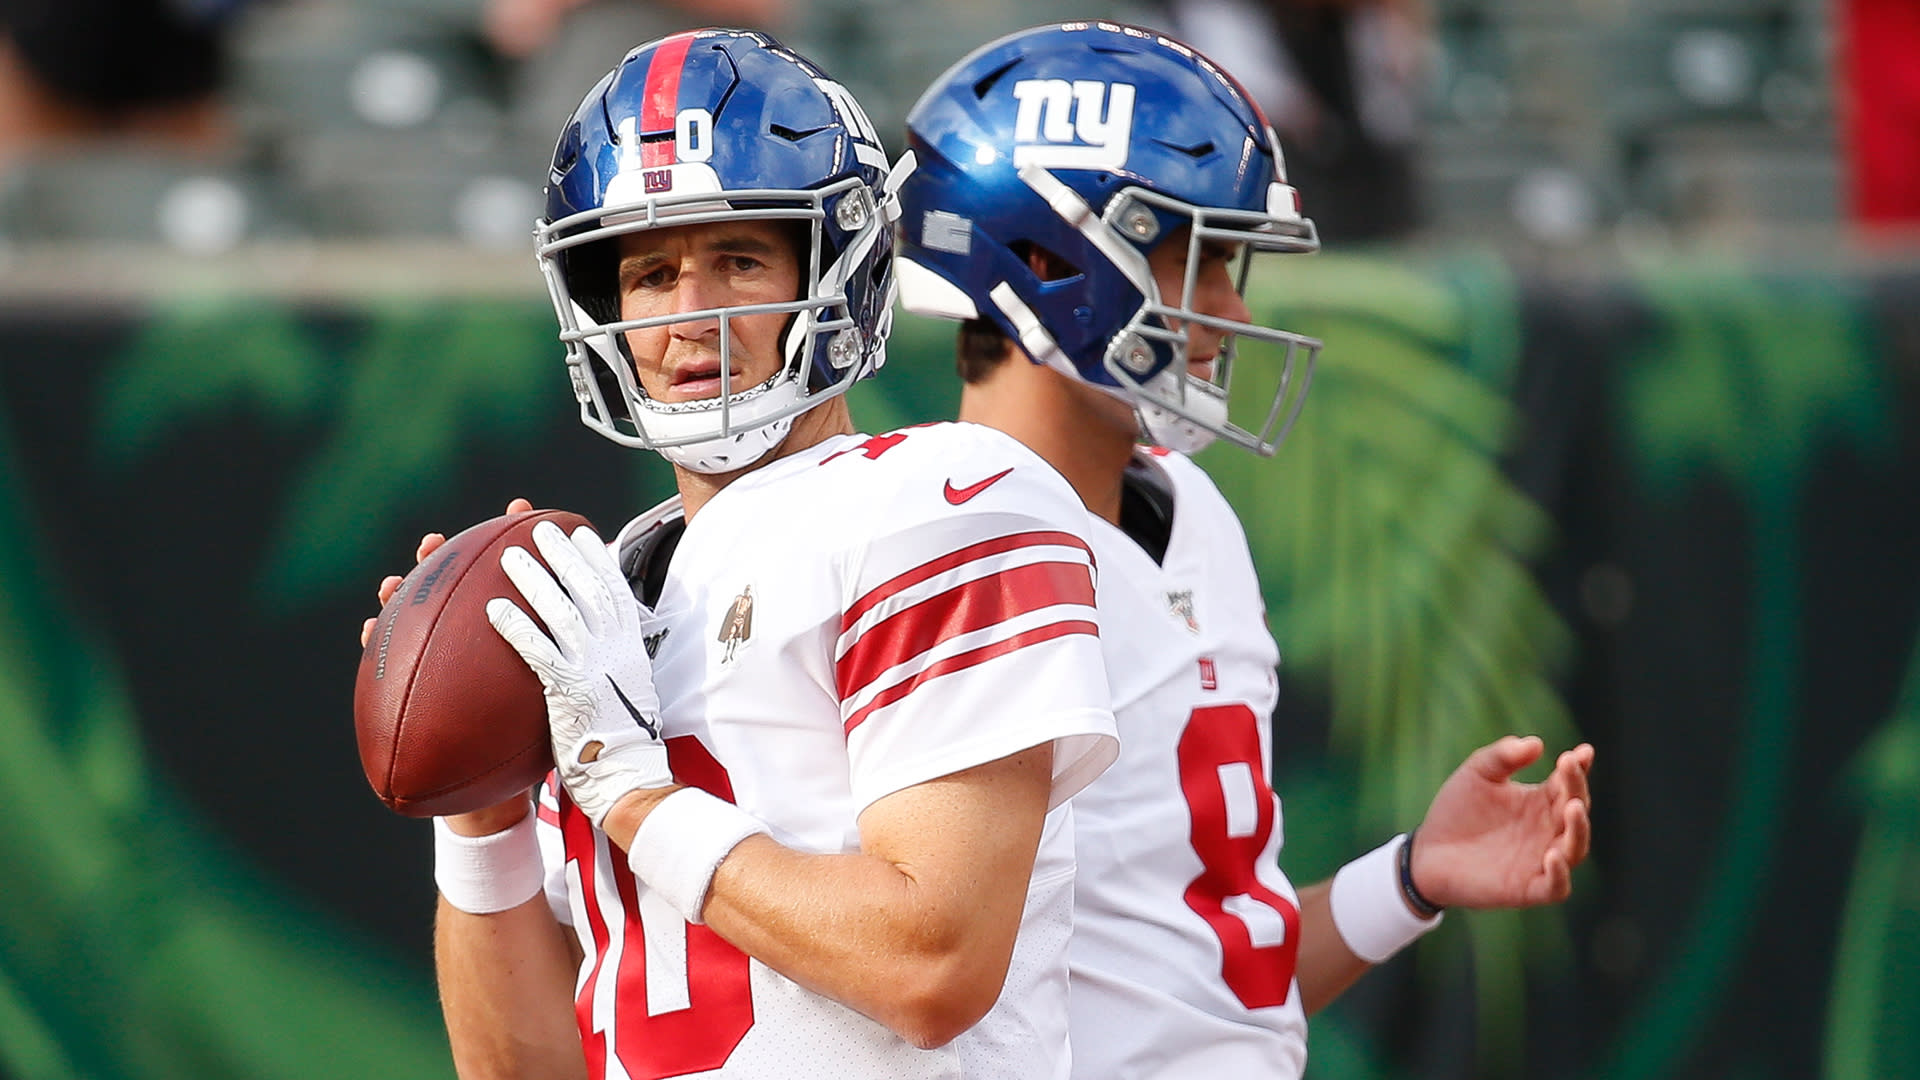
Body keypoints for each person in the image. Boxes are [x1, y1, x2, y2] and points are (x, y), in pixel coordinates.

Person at [365, 28, 1119, 1079]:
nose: (690, 317)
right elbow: (521, 1068)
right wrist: (480, 821)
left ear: (838, 271)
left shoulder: (934, 501)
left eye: (738, 259)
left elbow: (933, 965)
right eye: (650, 272)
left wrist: (631, 794)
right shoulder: (599, 593)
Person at [893, 21, 1594, 1078]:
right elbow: (908, 977)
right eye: (1201, 264)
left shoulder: (1191, 511)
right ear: (1047, 261)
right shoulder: (940, 535)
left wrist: (1410, 880)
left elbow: (1218, 986)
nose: (1231, 311)